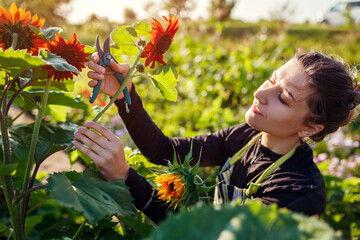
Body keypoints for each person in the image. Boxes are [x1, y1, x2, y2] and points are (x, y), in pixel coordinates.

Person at [72, 50, 360, 224]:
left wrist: (124, 176)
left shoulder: (297, 193)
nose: (260, 94)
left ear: (311, 128)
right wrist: (126, 96)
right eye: (272, 80)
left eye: (283, 98)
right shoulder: (247, 136)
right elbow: (165, 151)